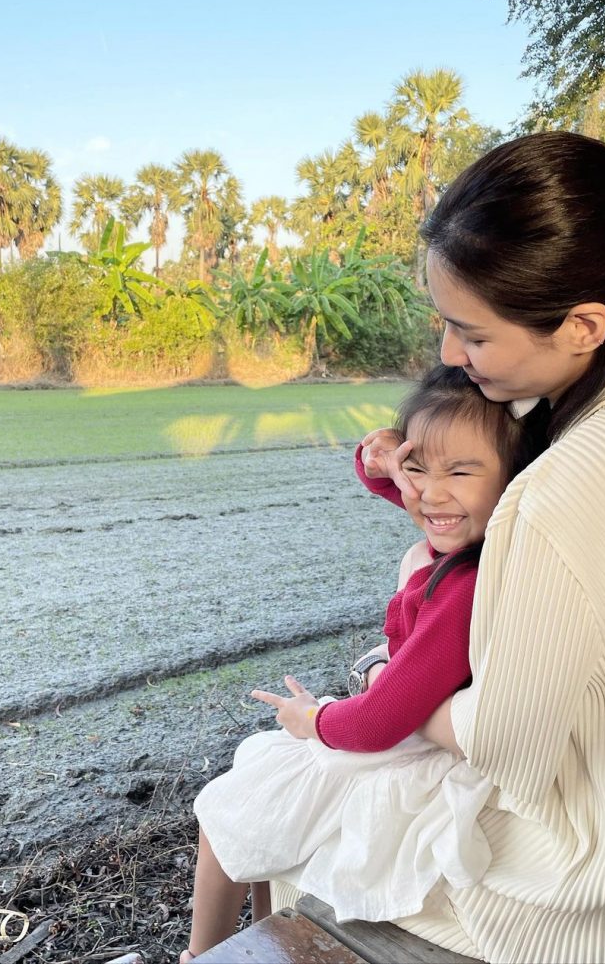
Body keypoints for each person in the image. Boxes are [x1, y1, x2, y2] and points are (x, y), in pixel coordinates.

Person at [266, 131, 605, 964]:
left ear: (585, 324)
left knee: (271, 807)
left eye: (470, 335)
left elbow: (503, 741)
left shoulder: (566, 484)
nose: (447, 355)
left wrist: (380, 685)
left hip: (584, 904)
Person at [179, 366, 546, 961]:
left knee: (227, 813)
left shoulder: (462, 592)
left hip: (405, 745)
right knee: (254, 789)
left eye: (460, 469)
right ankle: (248, 946)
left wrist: (314, 718)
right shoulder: (476, 539)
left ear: (514, 479)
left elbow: (379, 720)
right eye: (418, 467)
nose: (430, 492)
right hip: (402, 730)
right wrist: (378, 460)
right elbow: (425, 499)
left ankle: (202, 953)